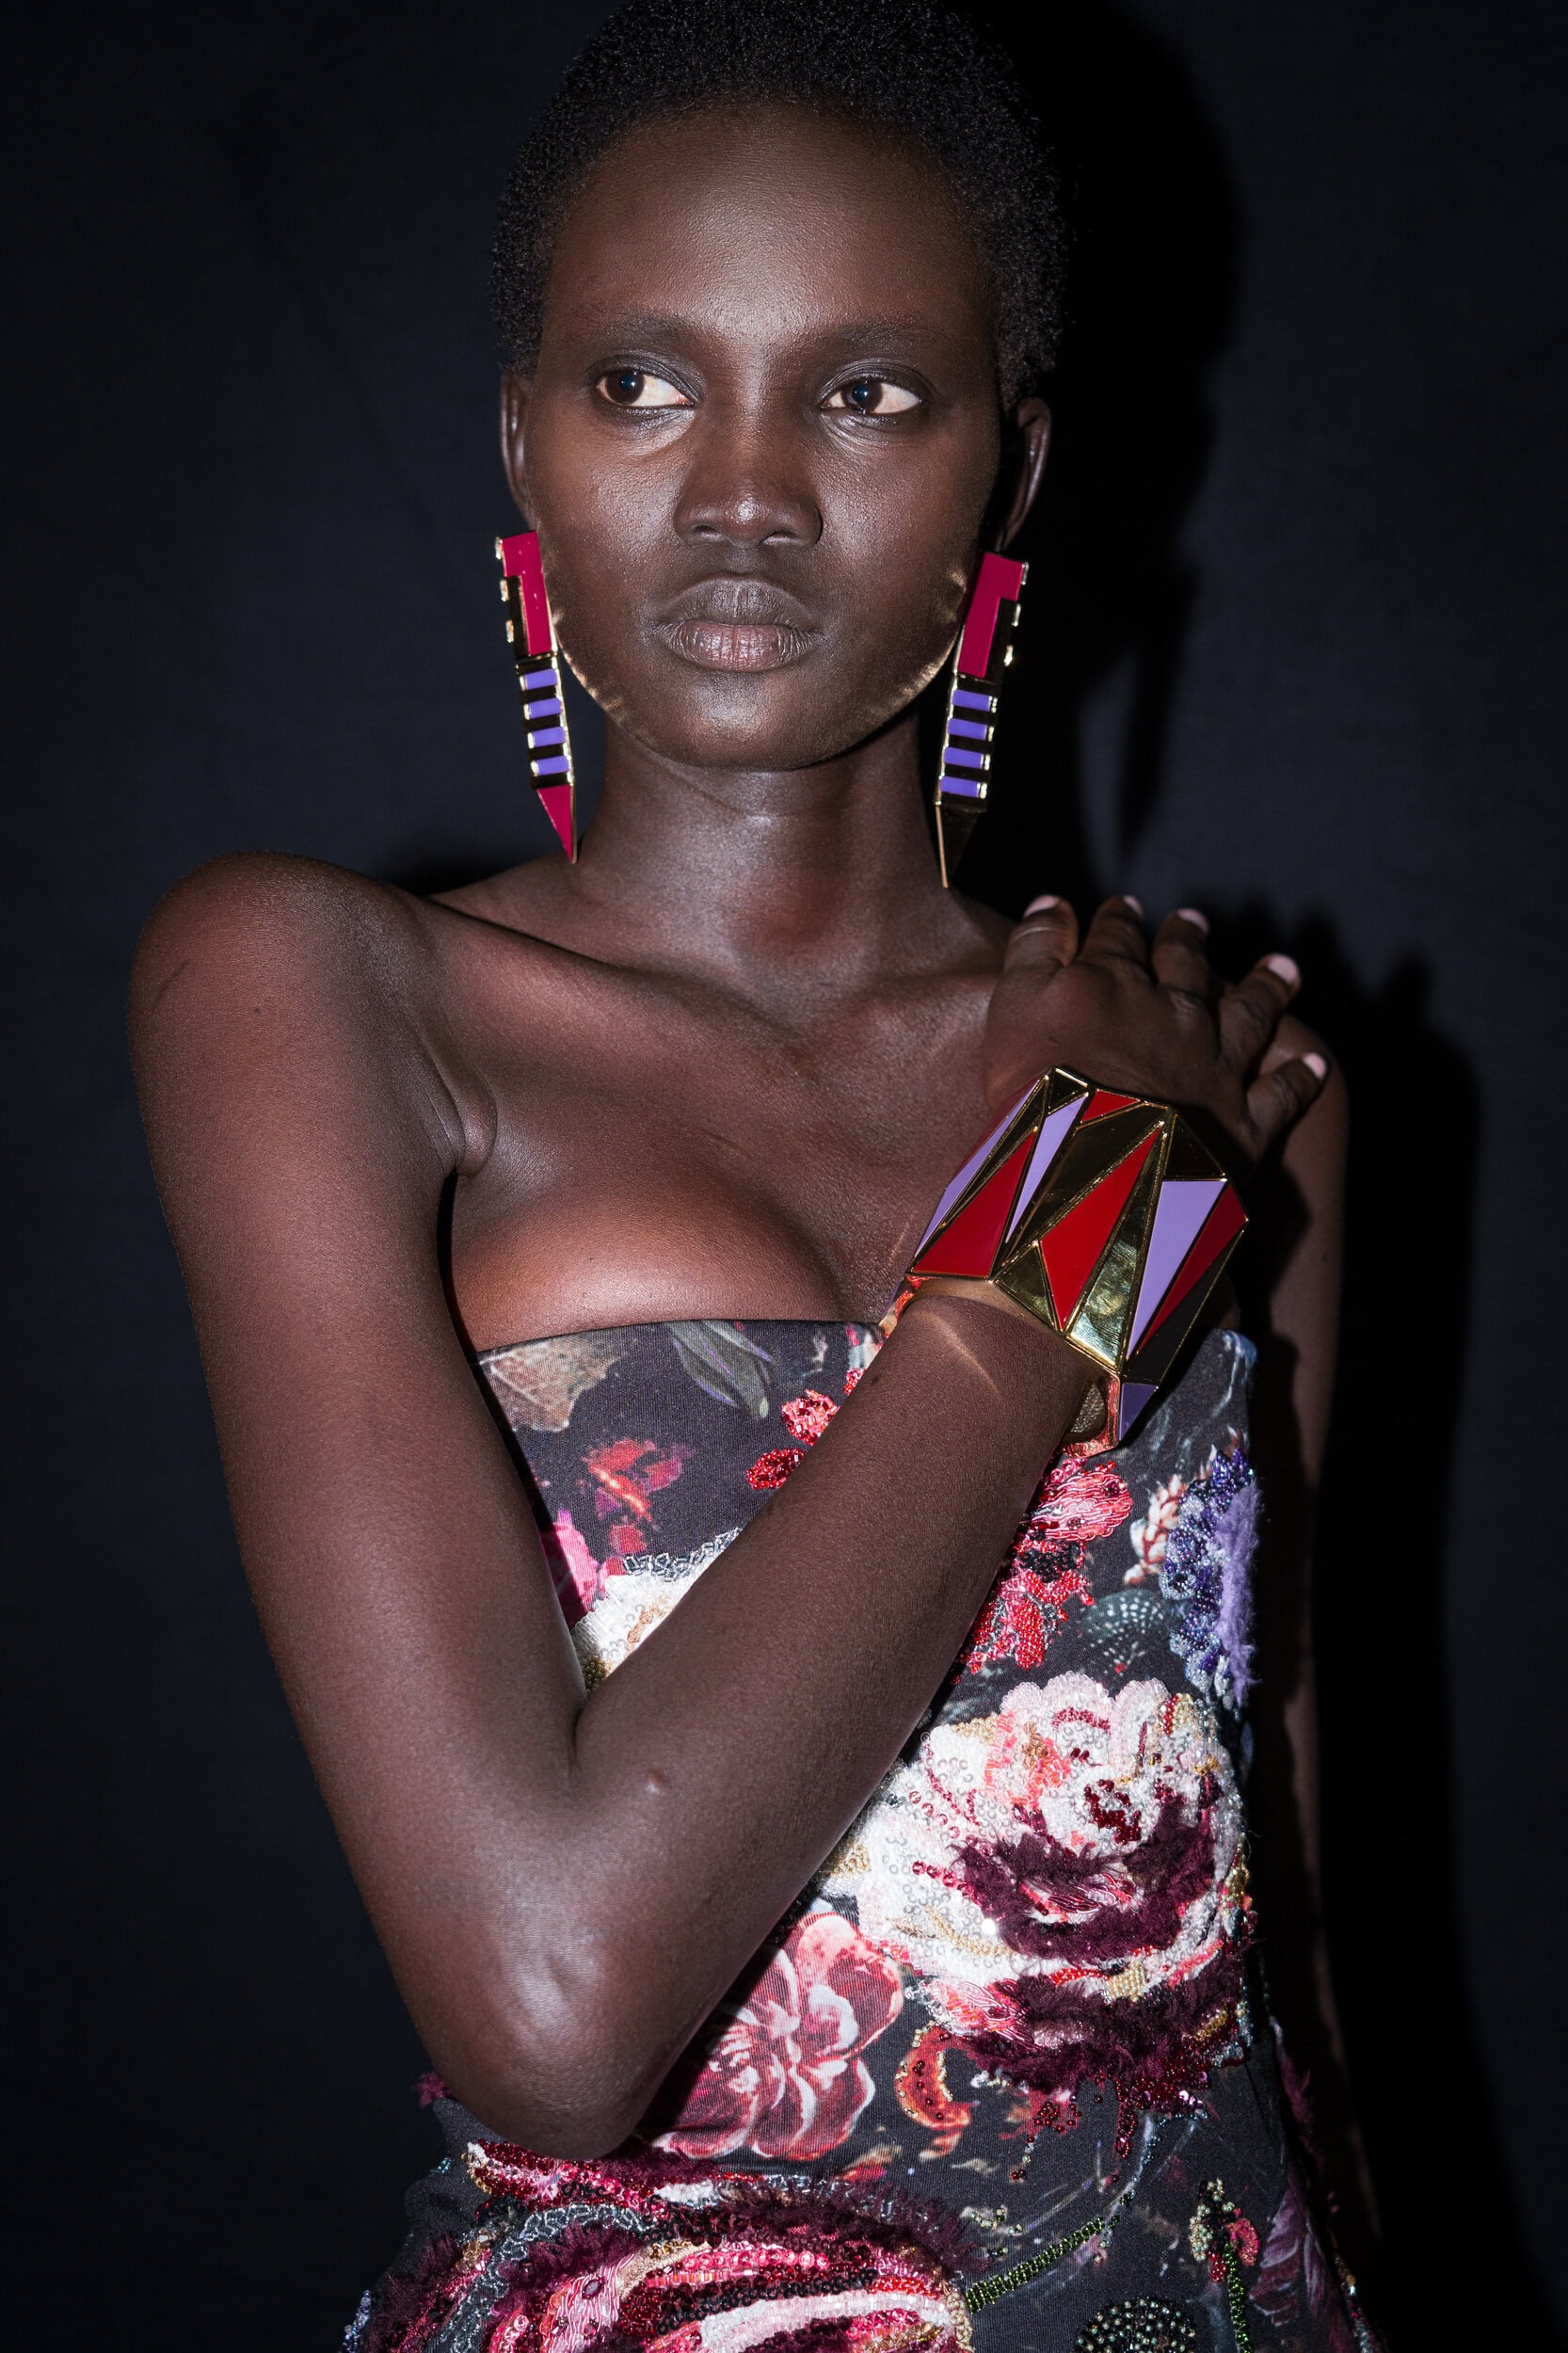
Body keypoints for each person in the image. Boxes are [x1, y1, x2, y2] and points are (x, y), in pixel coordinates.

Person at [131, 4, 1377, 2345]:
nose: (742, 494)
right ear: (522, 439)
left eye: (864, 393)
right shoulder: (324, 997)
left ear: (1010, 465)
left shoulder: (1236, 1079)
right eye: (641, 383)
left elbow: (1281, 1915)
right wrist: (1051, 1235)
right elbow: (552, 1999)